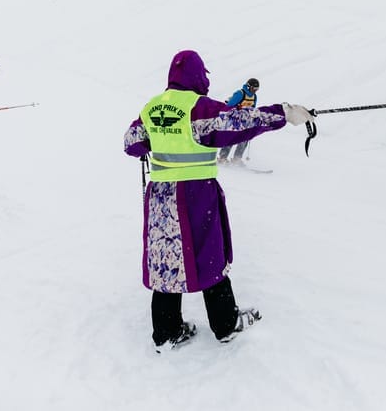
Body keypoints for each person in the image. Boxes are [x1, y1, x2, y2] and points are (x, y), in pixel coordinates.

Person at [123, 49, 313, 351]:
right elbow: (240, 122)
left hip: (160, 199)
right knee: (209, 255)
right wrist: (284, 113)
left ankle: (167, 333)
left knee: (167, 260)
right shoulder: (199, 108)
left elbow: (131, 143)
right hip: (195, 196)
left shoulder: (152, 107)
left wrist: (158, 139)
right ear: (197, 75)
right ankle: (226, 325)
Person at [217, 77, 260, 165]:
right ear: (248, 87)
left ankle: (237, 159)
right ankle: (222, 157)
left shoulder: (254, 97)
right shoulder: (240, 94)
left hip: (244, 121)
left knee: (244, 139)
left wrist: (253, 116)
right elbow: (229, 106)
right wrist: (237, 109)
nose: (254, 91)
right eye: (253, 89)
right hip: (234, 119)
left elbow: (252, 108)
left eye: (256, 89)